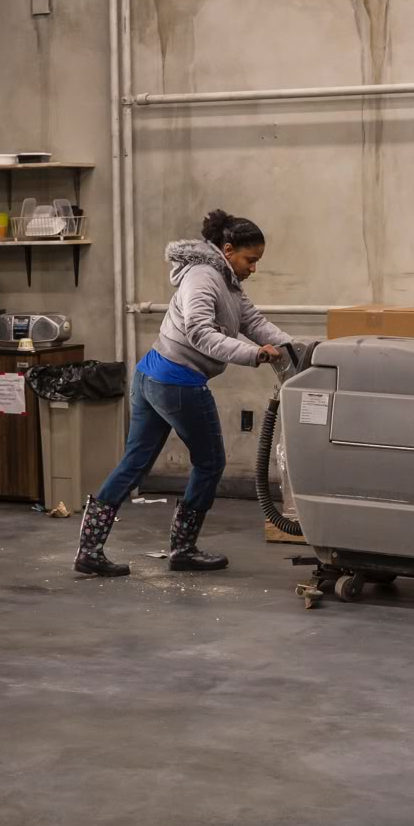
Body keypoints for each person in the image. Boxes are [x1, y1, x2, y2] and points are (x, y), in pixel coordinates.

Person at [75, 209, 290, 576]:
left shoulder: (226, 279)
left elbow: (252, 321)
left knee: (135, 462)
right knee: (211, 463)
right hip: (178, 381)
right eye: (250, 260)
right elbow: (200, 333)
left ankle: (89, 549)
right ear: (227, 250)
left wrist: (295, 348)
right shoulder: (203, 278)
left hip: (153, 373)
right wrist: (253, 354)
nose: (253, 268)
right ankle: (184, 549)